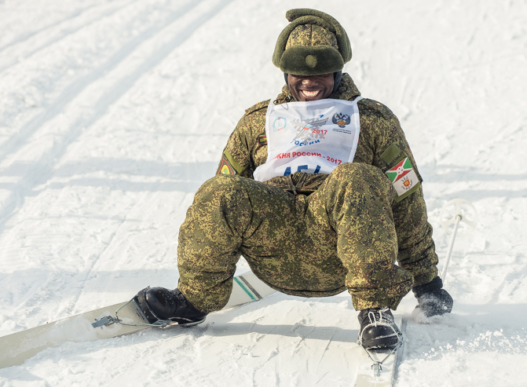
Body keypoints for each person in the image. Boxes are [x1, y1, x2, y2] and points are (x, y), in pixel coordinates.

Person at [134, 8, 453, 350]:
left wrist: (426, 282)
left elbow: (407, 198)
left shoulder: (371, 120)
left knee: (356, 178)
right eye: (299, 71)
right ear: (285, 71)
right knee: (219, 191)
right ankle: (194, 301)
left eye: (321, 71)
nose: (309, 81)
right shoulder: (259, 122)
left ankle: (374, 311)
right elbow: (221, 202)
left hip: (340, 248)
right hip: (273, 245)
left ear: (338, 69)